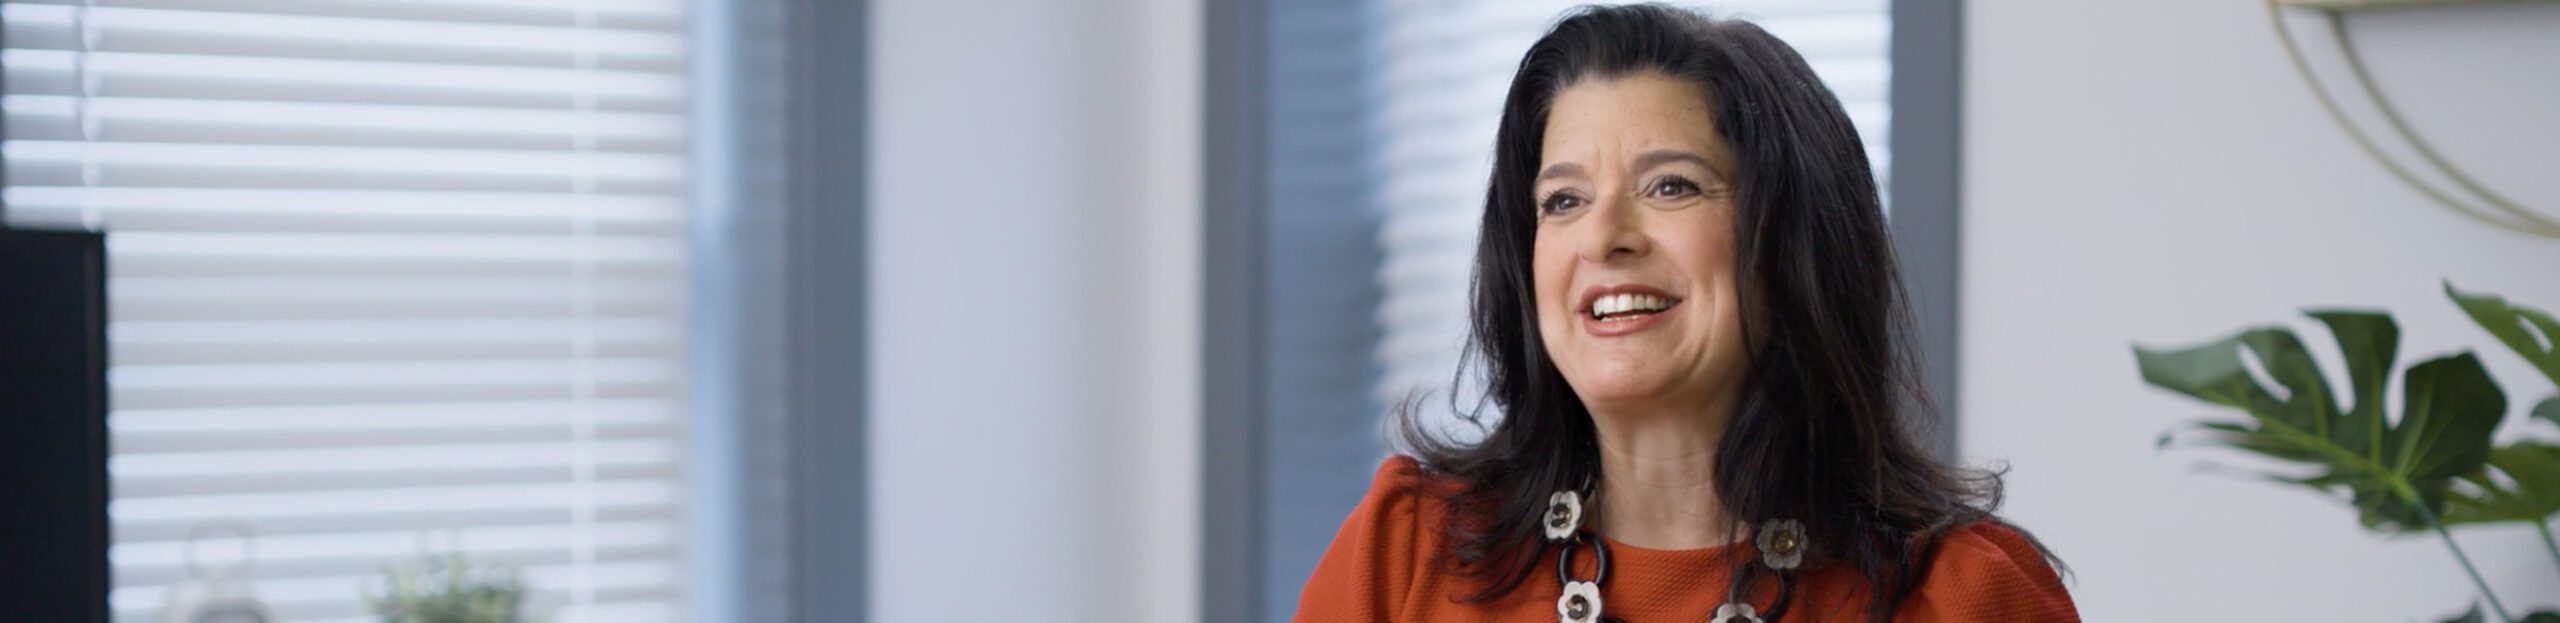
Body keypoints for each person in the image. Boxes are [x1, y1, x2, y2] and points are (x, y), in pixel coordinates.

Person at [1295, 5, 2078, 622]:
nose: (1603, 237)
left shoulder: (1967, 596)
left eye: (1671, 186)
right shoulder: (1407, 550)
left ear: (1791, 242)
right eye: (1563, 200)